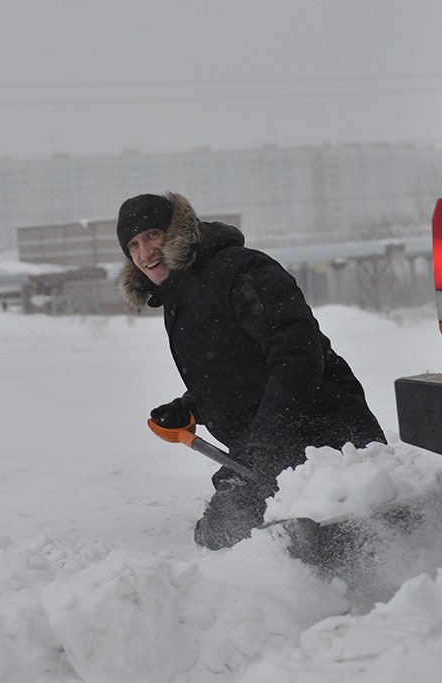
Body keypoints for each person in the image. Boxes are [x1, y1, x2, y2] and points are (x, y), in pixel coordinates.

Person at [117, 192, 386, 550]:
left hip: (327, 438)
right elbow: (236, 369)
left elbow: (297, 357)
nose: (145, 253)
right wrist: (191, 406)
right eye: (133, 245)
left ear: (177, 230)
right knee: (218, 534)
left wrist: (268, 440)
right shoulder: (179, 297)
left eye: (153, 235)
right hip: (266, 450)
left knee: (263, 543)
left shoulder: (241, 270)